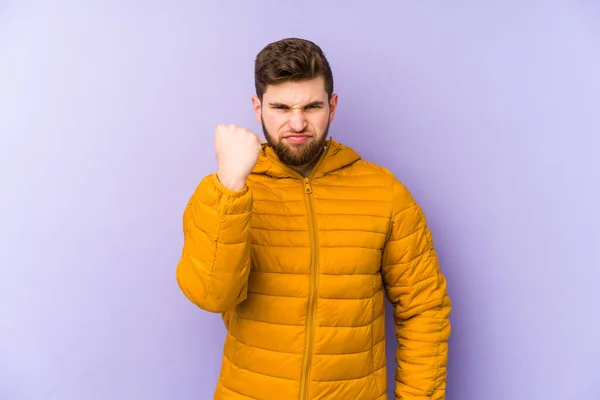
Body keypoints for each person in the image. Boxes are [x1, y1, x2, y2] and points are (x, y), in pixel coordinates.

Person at [176, 37, 451, 400]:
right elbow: (210, 294)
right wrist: (230, 187)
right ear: (257, 108)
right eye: (281, 107)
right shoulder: (227, 192)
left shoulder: (385, 193)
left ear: (332, 106)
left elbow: (424, 310)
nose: (297, 122)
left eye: (312, 106)